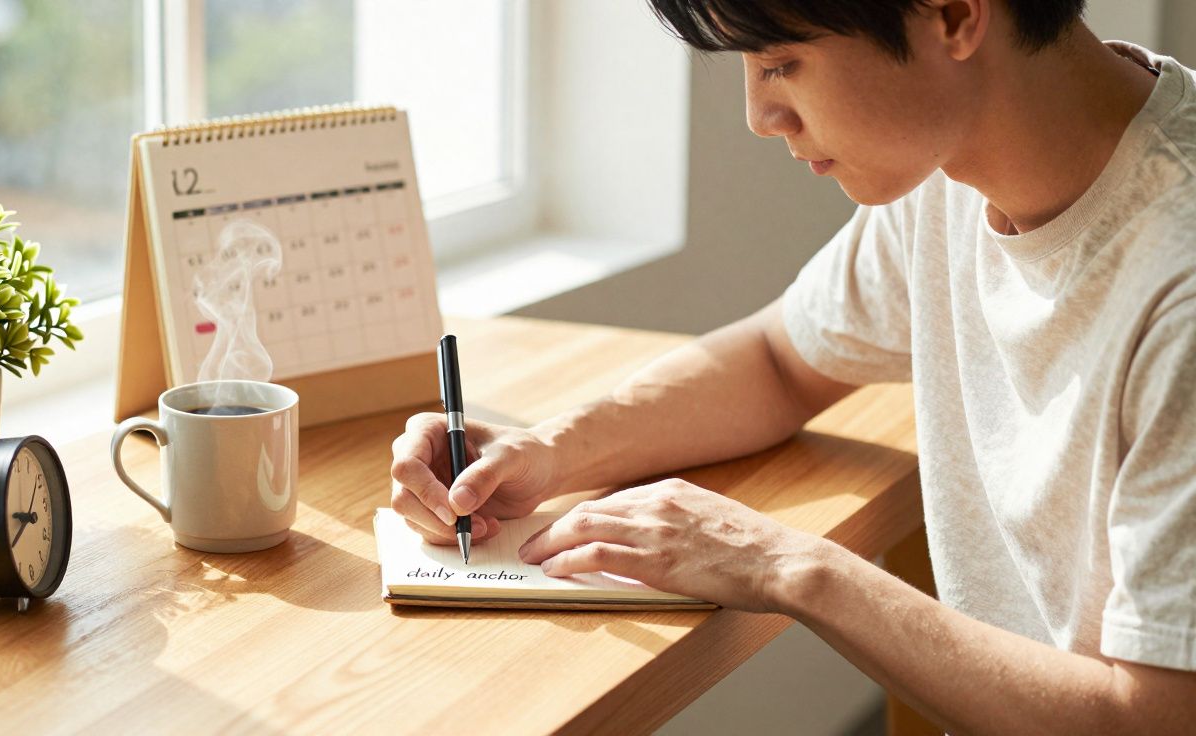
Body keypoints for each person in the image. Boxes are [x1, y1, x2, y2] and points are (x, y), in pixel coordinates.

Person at [389, 0, 1196, 731]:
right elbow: (780, 358)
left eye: (780, 63)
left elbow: (1153, 721)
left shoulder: (1177, 288)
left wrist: (788, 566)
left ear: (952, 15)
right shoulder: (951, 167)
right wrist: (548, 450)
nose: (758, 115)